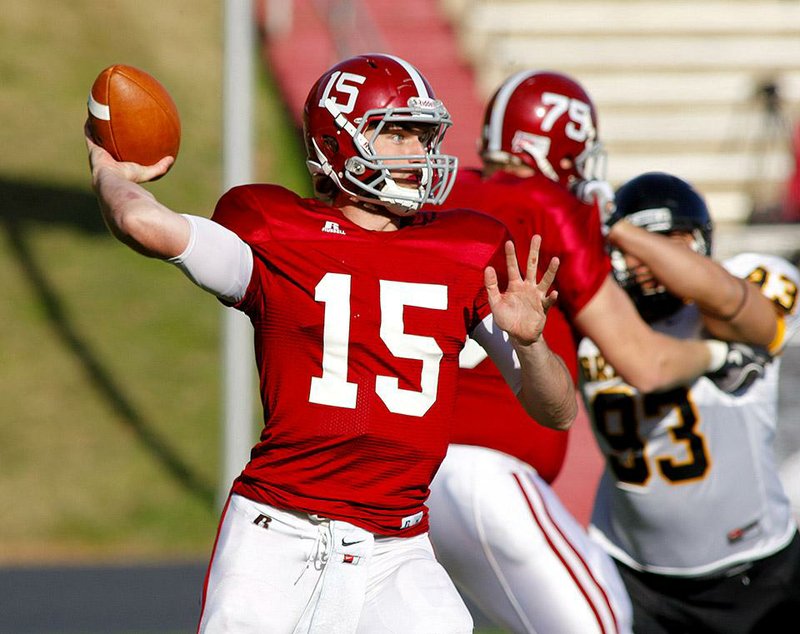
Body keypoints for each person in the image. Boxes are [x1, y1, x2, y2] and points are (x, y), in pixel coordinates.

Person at [85, 53, 579, 634]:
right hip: (278, 534)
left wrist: (531, 345)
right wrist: (108, 170)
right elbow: (145, 226)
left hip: (399, 547)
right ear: (338, 140)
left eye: (423, 136)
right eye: (397, 133)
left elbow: (558, 410)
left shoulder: (468, 249)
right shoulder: (273, 228)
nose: (418, 154)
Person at [426, 70, 762, 633]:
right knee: (603, 623)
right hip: (486, 475)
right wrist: (717, 358)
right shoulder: (548, 207)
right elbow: (645, 362)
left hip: (406, 473)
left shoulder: (444, 197)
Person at [579, 171, 800, 633]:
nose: (647, 261)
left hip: (752, 568)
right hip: (629, 568)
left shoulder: (748, 283)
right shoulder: (597, 312)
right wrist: (716, 357)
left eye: (669, 241)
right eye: (634, 249)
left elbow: (717, 299)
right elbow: (652, 361)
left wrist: (623, 231)